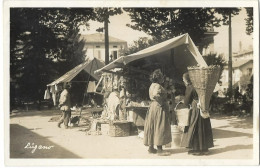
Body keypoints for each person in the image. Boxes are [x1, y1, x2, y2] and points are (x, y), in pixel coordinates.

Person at [180, 72, 214, 155]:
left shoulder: (190, 87)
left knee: (194, 127)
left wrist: (182, 101)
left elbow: (187, 101)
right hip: (203, 108)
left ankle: (196, 149)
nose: (183, 81)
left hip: (195, 108)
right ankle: (204, 148)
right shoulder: (200, 86)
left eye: (183, 79)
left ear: (186, 80)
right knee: (203, 126)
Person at [143, 69, 172, 156]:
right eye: (162, 77)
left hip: (152, 107)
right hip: (159, 107)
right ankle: (160, 149)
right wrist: (162, 101)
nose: (163, 78)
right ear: (159, 78)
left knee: (152, 125)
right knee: (160, 125)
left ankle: (151, 148)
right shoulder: (158, 86)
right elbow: (156, 95)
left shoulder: (152, 85)